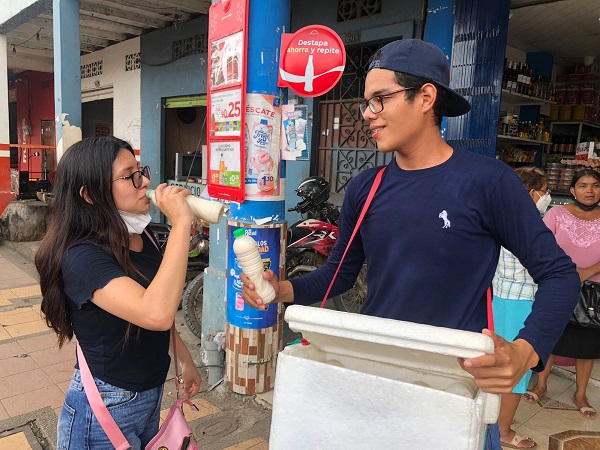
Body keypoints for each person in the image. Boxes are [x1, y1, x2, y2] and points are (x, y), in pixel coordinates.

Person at [241, 39, 580, 448]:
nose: (368, 114)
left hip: (455, 384)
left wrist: (527, 351)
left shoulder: (487, 182)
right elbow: (340, 274)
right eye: (366, 103)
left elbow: (560, 274)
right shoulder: (366, 187)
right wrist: (281, 290)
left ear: (426, 97)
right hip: (376, 376)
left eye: (380, 99)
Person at [35, 136, 202, 449]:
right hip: (105, 407)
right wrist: (181, 224)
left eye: (141, 170)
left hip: (149, 393)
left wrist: (183, 358)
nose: (145, 182)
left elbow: (157, 306)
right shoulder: (82, 257)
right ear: (90, 194)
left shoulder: (142, 234)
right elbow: (154, 312)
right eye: (131, 176)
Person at [524, 169, 600, 420]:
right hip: (558, 285)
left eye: (595, 185)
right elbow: (543, 246)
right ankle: (541, 384)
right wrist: (569, 272)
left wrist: (586, 272)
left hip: (593, 291)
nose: (589, 191)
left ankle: (580, 395)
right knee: (551, 336)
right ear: (572, 190)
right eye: (583, 185)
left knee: (586, 344)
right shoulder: (557, 214)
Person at [492, 167, 551, 449]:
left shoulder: (500, 217)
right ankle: (503, 432)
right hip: (522, 300)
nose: (548, 197)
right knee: (517, 368)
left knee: (502, 361)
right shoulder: (529, 224)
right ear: (531, 193)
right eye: (545, 191)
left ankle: (499, 421)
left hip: (503, 298)